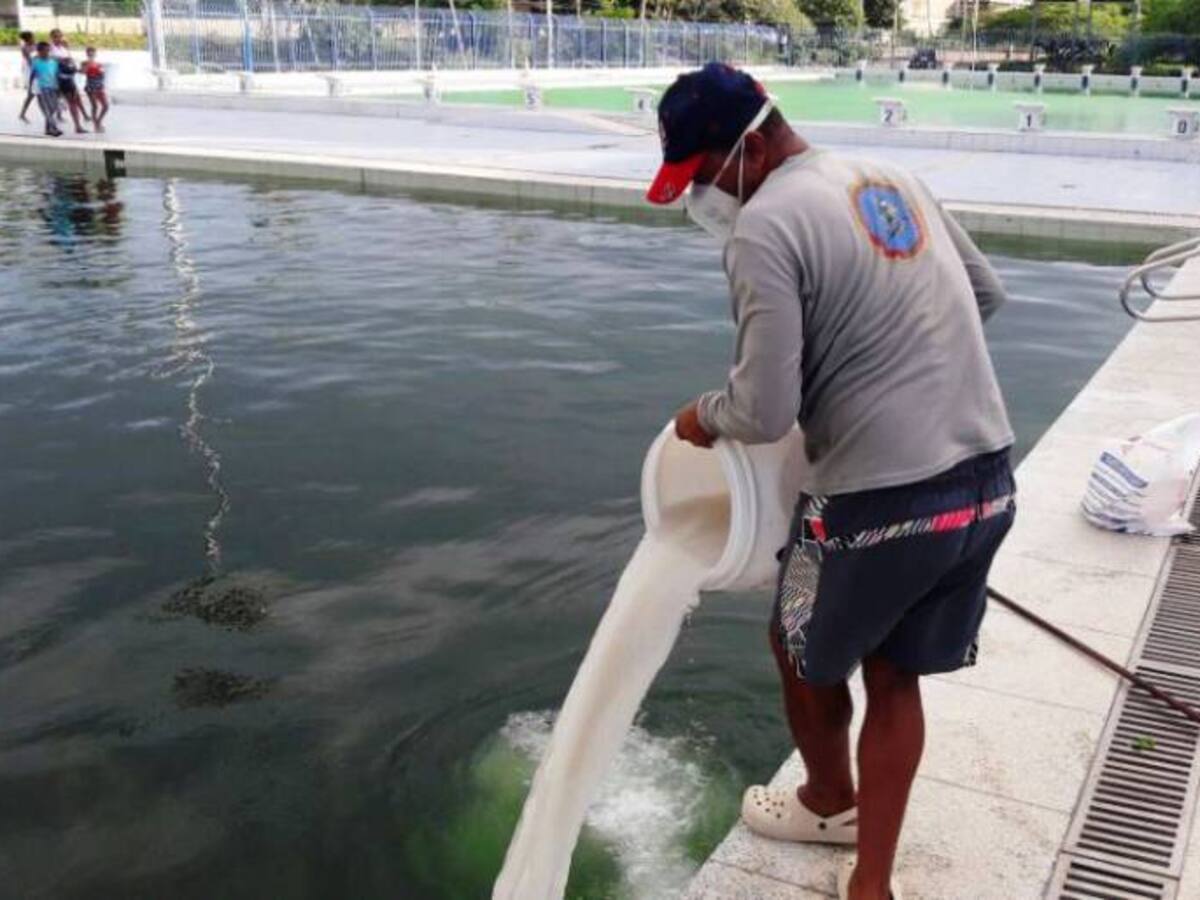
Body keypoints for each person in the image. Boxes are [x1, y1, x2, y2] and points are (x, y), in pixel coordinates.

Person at [646, 63, 1016, 900]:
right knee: (896, 674)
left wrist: (702, 416)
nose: (705, 193)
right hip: (985, 479)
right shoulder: (894, 177)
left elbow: (765, 408)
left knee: (796, 645)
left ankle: (825, 800)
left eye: (704, 173)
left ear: (749, 143)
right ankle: (870, 882)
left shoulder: (765, 227)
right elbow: (987, 294)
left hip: (870, 505)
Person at [29, 43, 63, 138]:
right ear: (39, 51)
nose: (47, 52)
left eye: (48, 50)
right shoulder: (36, 62)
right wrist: (30, 89)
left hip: (53, 87)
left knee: (54, 107)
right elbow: (32, 76)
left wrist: (59, 89)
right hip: (42, 88)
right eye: (45, 50)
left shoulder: (53, 62)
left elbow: (56, 75)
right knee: (47, 110)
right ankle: (54, 128)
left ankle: (47, 129)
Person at [82, 47, 109, 133]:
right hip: (91, 86)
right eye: (89, 53)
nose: (91, 55)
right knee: (95, 106)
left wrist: (102, 75)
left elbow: (103, 75)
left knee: (105, 105)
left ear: (95, 54)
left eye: (92, 53)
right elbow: (83, 72)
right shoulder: (85, 63)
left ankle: (99, 121)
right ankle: (96, 125)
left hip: (99, 85)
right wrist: (88, 65)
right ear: (87, 54)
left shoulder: (99, 64)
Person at [18, 31, 37, 124]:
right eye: (33, 37)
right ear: (28, 39)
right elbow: (29, 62)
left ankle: (22, 114)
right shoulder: (25, 48)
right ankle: (22, 114)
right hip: (30, 71)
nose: (34, 38)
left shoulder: (35, 45)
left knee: (32, 95)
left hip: (36, 68)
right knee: (31, 95)